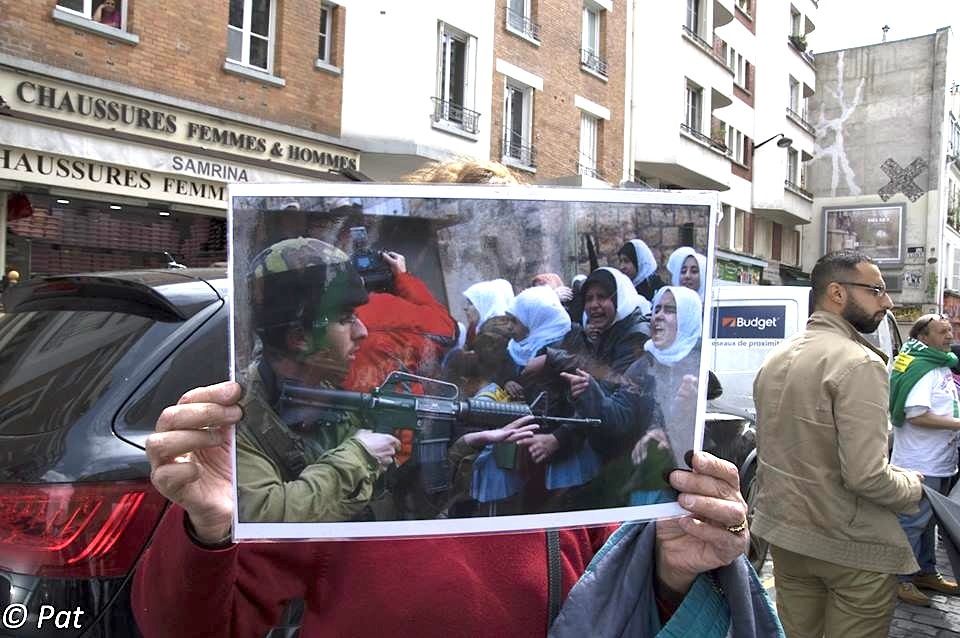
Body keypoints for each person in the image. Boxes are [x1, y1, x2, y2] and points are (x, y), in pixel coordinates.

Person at [133, 159, 765, 637]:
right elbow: (188, 624)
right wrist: (205, 533)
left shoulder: (566, 469)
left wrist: (676, 571)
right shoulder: (301, 427)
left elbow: (612, 601)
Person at [752, 250, 924, 638]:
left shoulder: (777, 356)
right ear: (836, 293)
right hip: (850, 547)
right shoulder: (860, 363)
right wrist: (913, 485)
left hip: (788, 537)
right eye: (876, 290)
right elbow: (867, 476)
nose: (887, 301)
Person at [235, 237, 401, 523]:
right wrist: (358, 457)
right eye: (345, 318)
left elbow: (387, 501)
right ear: (300, 338)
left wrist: (459, 454)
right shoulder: (238, 416)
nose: (362, 331)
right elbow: (264, 516)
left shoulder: (332, 393)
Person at [563, 287, 704, 507]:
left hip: (689, 487)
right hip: (645, 479)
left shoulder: (701, 366)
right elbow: (620, 416)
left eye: (670, 310)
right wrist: (590, 392)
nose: (658, 316)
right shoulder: (643, 365)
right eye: (656, 309)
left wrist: (676, 422)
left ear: (688, 318)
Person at [888, 313, 960, 606]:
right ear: (922, 337)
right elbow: (917, 415)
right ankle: (899, 580)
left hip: (939, 461)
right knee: (913, 523)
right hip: (921, 463)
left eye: (950, 330)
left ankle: (925, 572)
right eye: (942, 332)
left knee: (929, 523)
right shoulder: (922, 368)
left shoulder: (937, 362)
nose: (949, 336)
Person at [342, 249, 457, 393]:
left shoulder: (436, 316)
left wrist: (402, 275)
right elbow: (407, 400)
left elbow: (422, 300)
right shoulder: (422, 339)